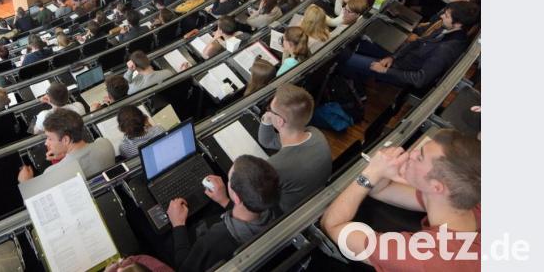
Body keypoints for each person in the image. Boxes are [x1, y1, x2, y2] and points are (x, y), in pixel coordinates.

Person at [321, 129, 480, 270]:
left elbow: (332, 224)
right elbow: (381, 190)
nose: (412, 153)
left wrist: (370, 173)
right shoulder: (461, 202)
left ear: (436, 187)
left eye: (420, 157)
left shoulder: (424, 257)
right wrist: (384, 172)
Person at [168, 155, 281, 270]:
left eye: (229, 180)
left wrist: (178, 224)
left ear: (236, 198)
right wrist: (225, 201)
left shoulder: (212, 241)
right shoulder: (273, 208)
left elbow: (184, 267)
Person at [341, 1, 479, 90]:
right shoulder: (446, 28)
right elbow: (417, 42)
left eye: (447, 16)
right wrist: (393, 57)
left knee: (342, 56)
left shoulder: (446, 49)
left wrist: (386, 71)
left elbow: (420, 79)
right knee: (356, 42)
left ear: (459, 24)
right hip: (397, 61)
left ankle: (355, 86)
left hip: (398, 72)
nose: (442, 16)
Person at [257, 83, 332, 211]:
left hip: (286, 212)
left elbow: (259, 198)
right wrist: (268, 117)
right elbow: (268, 141)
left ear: (280, 121)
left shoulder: (275, 166)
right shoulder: (315, 133)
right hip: (314, 198)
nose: (268, 112)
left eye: (270, 109)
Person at [17, 109, 115, 180]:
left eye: (50, 138)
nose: (46, 142)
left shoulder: (52, 173)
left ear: (65, 140)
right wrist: (66, 155)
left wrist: (25, 182)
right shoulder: (105, 144)